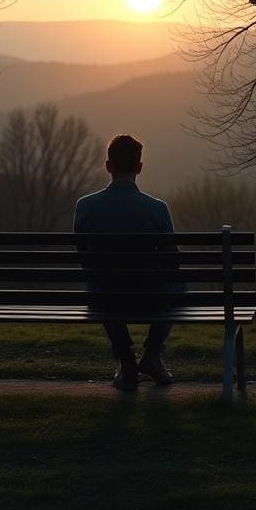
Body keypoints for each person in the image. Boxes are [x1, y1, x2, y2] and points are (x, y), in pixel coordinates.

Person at [73, 134, 176, 391]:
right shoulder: (158, 209)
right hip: (148, 298)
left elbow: (85, 261)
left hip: (106, 297)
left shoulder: (85, 207)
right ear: (139, 168)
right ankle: (151, 354)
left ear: (108, 166)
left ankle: (126, 357)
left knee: (100, 283)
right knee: (177, 287)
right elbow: (173, 264)